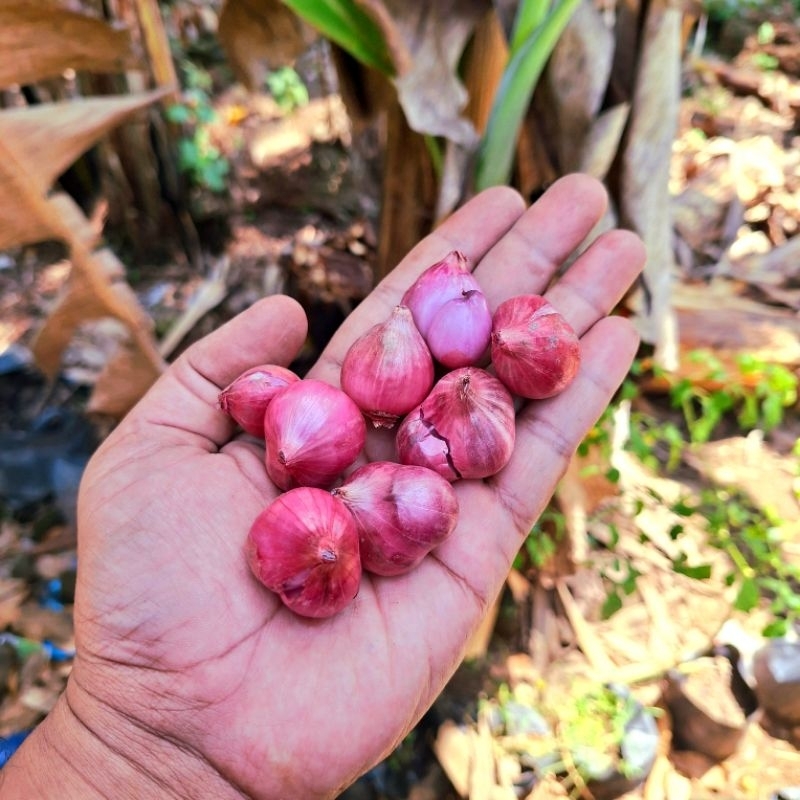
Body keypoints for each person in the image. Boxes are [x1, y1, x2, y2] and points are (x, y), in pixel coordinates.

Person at [0, 174, 645, 799]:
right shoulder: (351, 465)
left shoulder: (440, 409)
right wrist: (142, 733)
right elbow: (317, 474)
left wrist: (133, 746)